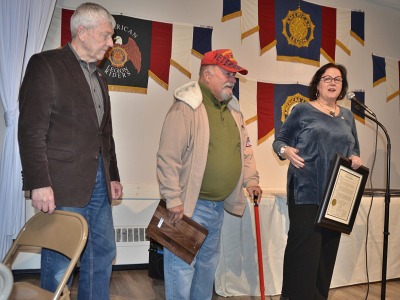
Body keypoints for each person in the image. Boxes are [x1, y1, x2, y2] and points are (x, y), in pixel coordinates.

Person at [18, 3, 122, 299]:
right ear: (82, 32)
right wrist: (38, 183)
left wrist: (113, 175)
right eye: (105, 35)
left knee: (102, 254)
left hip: (99, 184)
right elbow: (31, 130)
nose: (110, 43)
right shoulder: (45, 64)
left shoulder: (99, 76)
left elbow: (105, 133)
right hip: (60, 185)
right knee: (59, 262)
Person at [156, 49, 262, 300]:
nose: (233, 80)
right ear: (208, 74)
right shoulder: (186, 107)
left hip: (217, 208)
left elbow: (244, 151)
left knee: (206, 269)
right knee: (181, 269)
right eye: (228, 74)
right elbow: (168, 157)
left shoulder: (234, 111)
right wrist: (172, 198)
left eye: (234, 76)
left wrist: (252, 180)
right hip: (188, 207)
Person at [272, 63, 362, 300]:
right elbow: (279, 141)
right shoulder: (302, 110)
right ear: (318, 84)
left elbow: (354, 149)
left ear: (342, 87)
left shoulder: (348, 116)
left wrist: (355, 158)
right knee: (304, 252)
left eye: (338, 79)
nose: (333, 82)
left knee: (326, 253)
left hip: (336, 195)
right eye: (327, 78)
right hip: (306, 189)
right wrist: (285, 150)